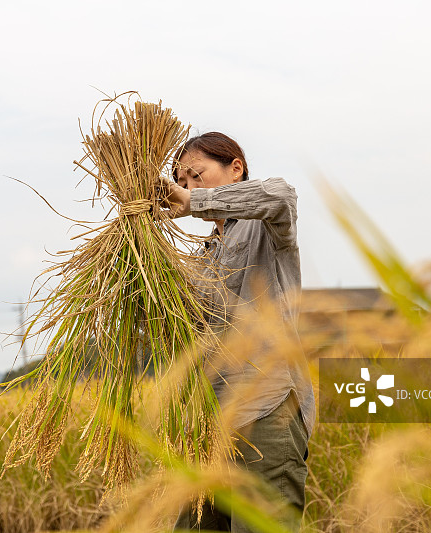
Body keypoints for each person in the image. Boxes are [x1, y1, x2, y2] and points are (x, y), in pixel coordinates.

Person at [163, 132, 315, 532]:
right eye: (184, 182)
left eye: (197, 175)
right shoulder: (201, 259)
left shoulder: (265, 228)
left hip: (265, 413)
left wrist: (193, 203)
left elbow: (281, 195)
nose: (190, 187)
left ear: (236, 168)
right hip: (209, 424)